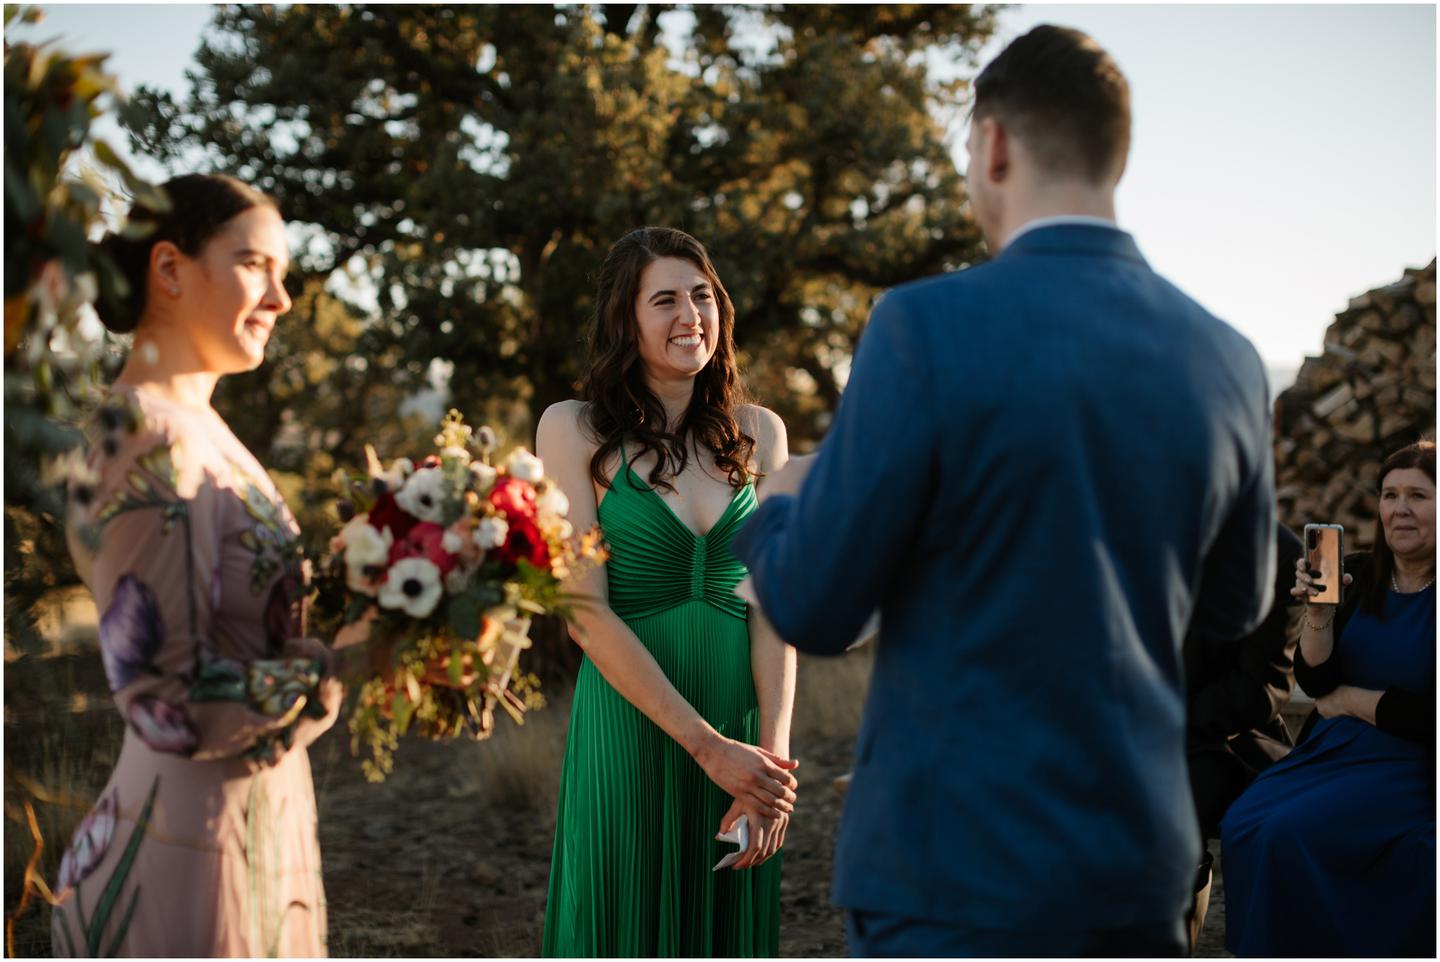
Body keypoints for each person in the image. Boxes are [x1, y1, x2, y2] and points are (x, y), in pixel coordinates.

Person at [731, 25, 1276, 957]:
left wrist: (778, 500)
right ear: (1117, 151)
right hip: (1135, 865)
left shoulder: (922, 327)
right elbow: (1236, 603)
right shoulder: (1226, 357)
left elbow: (815, 606)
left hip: (951, 869)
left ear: (993, 144)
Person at [49, 174, 344, 957]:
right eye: (256, 265)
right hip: (181, 855)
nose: (281, 299)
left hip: (246, 819)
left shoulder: (202, 425)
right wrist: (352, 661)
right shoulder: (144, 431)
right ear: (171, 269)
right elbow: (170, 700)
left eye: (285, 273)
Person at [536, 227, 798, 956]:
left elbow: (774, 612)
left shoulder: (761, 435)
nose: (691, 314)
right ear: (626, 319)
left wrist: (767, 769)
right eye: (665, 300)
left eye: (702, 294)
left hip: (739, 724)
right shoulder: (572, 429)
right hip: (634, 720)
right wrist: (706, 748)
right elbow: (583, 609)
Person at [1220, 440, 1436, 957]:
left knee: (1288, 832)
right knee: (1243, 822)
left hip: (1410, 762)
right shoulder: (1359, 574)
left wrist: (1350, 700)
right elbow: (1316, 683)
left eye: (1418, 496)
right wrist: (1317, 615)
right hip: (1332, 753)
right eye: (1389, 495)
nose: (1399, 509)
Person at [1182, 523, 1304, 951]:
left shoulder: (1277, 553)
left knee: (1165, 816)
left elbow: (1261, 688)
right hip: (1118, 724)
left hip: (1219, 738)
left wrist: (1163, 720)